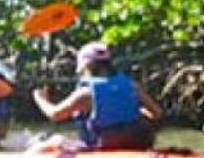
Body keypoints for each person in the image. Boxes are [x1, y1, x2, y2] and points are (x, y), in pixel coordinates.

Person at [33, 41, 163, 150]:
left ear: (84, 66)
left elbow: (55, 114)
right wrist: (137, 113)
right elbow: (157, 113)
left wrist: (39, 98)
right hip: (135, 143)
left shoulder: (86, 93)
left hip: (100, 147)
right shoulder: (131, 85)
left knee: (56, 140)